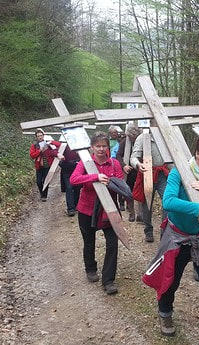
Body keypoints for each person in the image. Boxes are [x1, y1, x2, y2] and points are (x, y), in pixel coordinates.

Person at [142, 131, 199, 345]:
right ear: (197, 155)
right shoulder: (179, 174)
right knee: (170, 281)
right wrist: (198, 206)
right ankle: (165, 313)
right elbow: (169, 202)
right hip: (178, 237)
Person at [69, 132, 123, 295]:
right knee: (89, 241)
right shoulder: (85, 163)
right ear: (92, 147)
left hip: (109, 210)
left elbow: (120, 183)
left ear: (108, 147)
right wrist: (95, 177)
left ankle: (108, 280)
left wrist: (111, 182)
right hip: (87, 209)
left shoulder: (114, 164)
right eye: (97, 146)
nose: (101, 149)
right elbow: (74, 180)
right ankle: (90, 268)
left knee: (113, 244)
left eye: (104, 146)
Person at [130, 130, 169, 242]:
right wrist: (138, 164)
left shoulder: (166, 136)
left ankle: (165, 232)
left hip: (163, 173)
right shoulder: (142, 137)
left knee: (168, 201)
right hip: (147, 172)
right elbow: (134, 157)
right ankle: (148, 230)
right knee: (146, 203)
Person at [115, 123, 142, 222]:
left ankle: (141, 214)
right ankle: (132, 212)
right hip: (129, 172)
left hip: (140, 171)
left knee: (140, 192)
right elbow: (118, 155)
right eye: (129, 136)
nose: (130, 138)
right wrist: (124, 165)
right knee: (128, 192)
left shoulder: (143, 141)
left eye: (132, 136)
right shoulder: (125, 142)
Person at [29, 128, 62, 201]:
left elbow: (59, 145)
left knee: (45, 181)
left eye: (41, 135)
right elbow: (32, 155)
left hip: (47, 165)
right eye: (38, 136)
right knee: (38, 182)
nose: (40, 137)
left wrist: (51, 142)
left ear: (43, 136)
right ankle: (42, 193)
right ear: (36, 137)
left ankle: (44, 196)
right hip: (39, 166)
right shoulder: (34, 145)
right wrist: (39, 150)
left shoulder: (48, 143)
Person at [59, 145, 81, 216]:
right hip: (67, 170)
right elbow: (54, 149)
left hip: (77, 170)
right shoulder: (64, 144)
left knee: (77, 188)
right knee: (69, 188)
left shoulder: (78, 144)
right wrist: (57, 154)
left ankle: (75, 205)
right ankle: (71, 209)